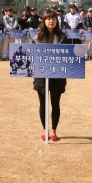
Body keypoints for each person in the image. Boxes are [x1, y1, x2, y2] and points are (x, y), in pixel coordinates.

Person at [32, 9, 67, 142]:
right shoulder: (37, 38)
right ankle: (44, 130)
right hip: (41, 75)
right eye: (48, 19)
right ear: (44, 21)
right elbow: (32, 57)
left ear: (57, 21)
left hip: (57, 75)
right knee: (42, 103)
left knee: (55, 103)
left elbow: (67, 55)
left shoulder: (62, 37)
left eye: (53, 19)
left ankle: (53, 131)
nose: (51, 21)